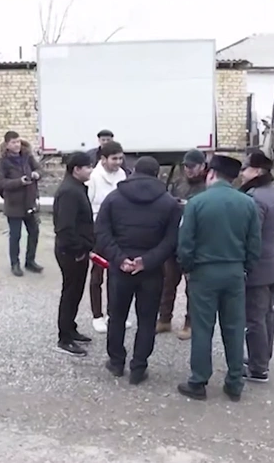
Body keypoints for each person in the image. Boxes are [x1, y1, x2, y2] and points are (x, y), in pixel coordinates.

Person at [176, 155, 261, 402]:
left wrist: (188, 268)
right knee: (234, 328)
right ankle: (235, 382)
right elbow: (255, 244)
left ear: (211, 173)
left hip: (204, 273)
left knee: (203, 328)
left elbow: (185, 243)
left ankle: (198, 381)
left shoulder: (196, 203)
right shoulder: (248, 203)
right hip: (234, 272)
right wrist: (245, 268)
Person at [96, 157, 181, 385]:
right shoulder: (169, 203)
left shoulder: (114, 198)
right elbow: (171, 240)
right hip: (151, 271)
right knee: (147, 320)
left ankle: (116, 362)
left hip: (120, 269)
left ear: (133, 171)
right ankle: (138, 367)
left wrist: (120, 258)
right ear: (157, 174)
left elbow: (102, 233)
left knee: (116, 317)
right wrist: (146, 261)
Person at [239, 151, 274, 383]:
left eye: (245, 168)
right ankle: (262, 357)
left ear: (257, 171)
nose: (242, 173)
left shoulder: (255, 198)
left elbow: (251, 236)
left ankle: (258, 368)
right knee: (267, 313)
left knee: (254, 317)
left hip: (258, 267)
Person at [158, 149, 208, 340]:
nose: (188, 170)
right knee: (168, 282)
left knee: (192, 287)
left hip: (195, 243)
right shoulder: (178, 183)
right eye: (186, 166)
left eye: (192, 166)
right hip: (174, 240)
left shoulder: (207, 187)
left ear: (202, 166)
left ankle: (190, 323)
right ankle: (164, 319)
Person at [53, 152, 95, 356]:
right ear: (76, 169)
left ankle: (71, 327)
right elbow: (64, 227)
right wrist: (78, 249)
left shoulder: (77, 187)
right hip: (70, 252)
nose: (91, 170)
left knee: (76, 291)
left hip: (79, 250)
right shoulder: (69, 192)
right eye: (88, 167)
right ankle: (64, 338)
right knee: (70, 292)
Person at [86, 141, 129, 333]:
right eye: (114, 159)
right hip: (99, 230)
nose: (118, 162)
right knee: (97, 274)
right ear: (103, 159)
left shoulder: (122, 174)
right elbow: (88, 206)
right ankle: (97, 315)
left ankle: (114, 314)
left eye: (120, 158)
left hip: (118, 230)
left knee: (116, 274)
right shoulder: (94, 177)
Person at [0, 130, 44, 277]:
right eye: (13, 142)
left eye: (18, 142)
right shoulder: (2, 162)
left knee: (34, 232)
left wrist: (37, 174)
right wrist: (19, 182)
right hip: (14, 204)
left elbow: (39, 169)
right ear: (7, 145)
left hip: (30, 202)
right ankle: (15, 264)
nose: (17, 145)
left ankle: (30, 261)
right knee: (15, 236)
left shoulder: (27, 156)